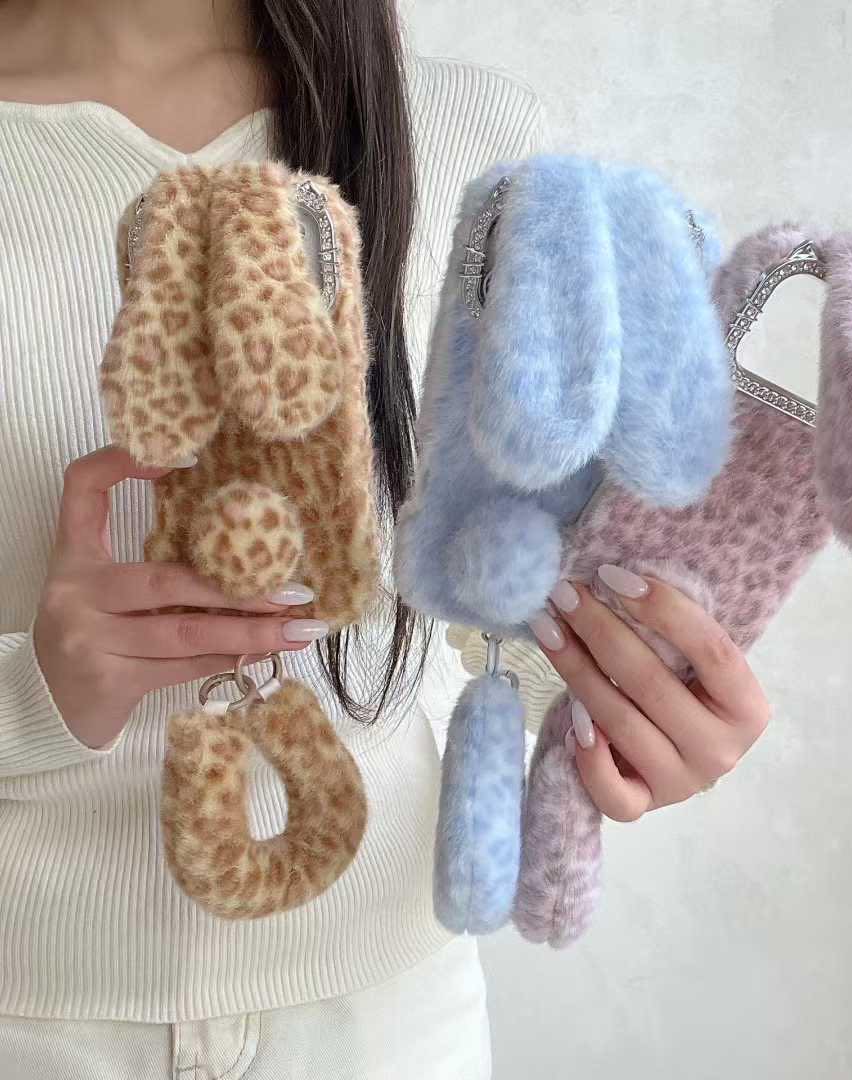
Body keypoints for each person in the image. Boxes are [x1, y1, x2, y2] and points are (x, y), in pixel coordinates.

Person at [0, 1, 771, 1075]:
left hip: (387, 1020)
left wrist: (626, 711)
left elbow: (514, 598)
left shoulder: (475, 136)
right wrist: (30, 699)